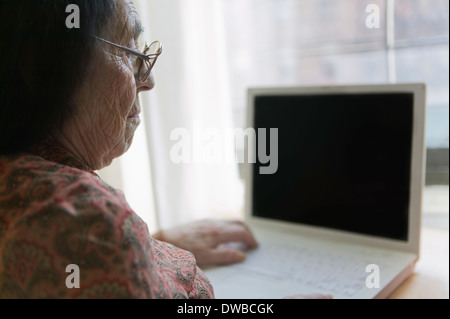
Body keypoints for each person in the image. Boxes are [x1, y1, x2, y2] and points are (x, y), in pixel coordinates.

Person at [0, 0, 330, 299]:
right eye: (129, 50)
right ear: (47, 66)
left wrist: (155, 246)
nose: (149, 79)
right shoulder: (81, 216)